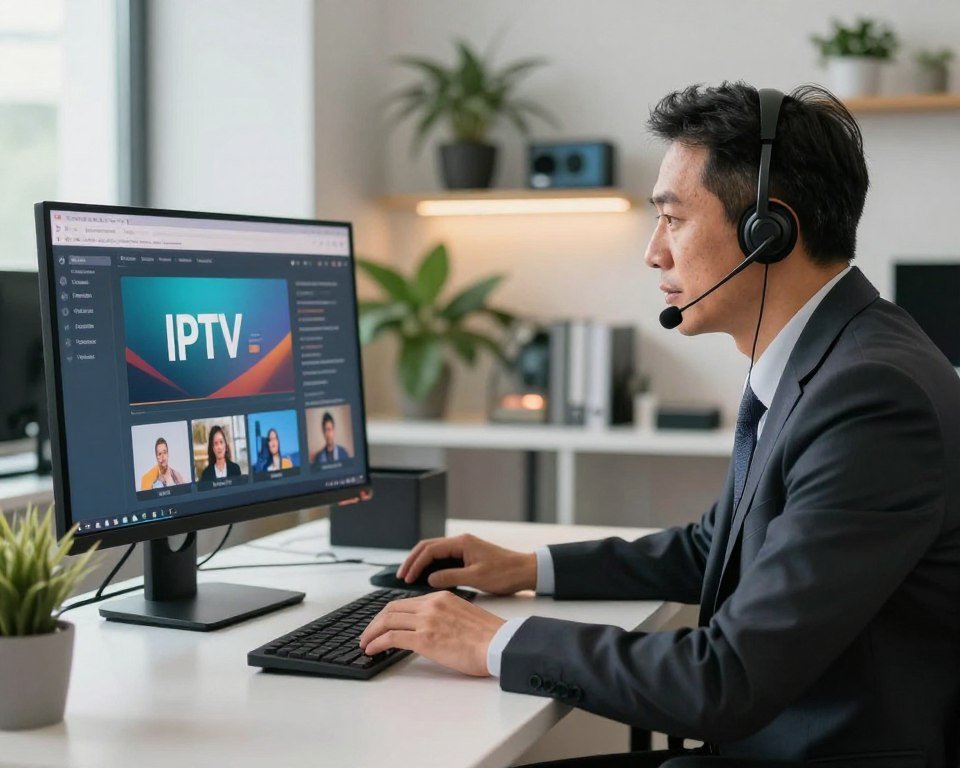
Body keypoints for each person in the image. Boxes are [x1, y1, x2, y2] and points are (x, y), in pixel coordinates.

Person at [358, 82, 960, 768]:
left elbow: (724, 678)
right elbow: (718, 547)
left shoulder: (871, 398)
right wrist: (528, 567)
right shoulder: (835, 355)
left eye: (672, 219)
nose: (653, 253)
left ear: (769, 230)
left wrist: (493, 642)